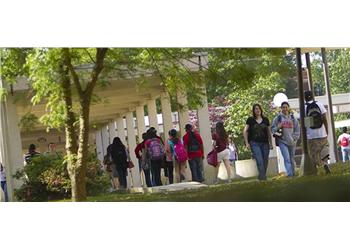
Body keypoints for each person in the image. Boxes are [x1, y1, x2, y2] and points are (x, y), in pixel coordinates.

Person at [243, 104, 273, 181]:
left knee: (265, 161)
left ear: (261, 110)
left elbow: (269, 132)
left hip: (265, 143)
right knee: (259, 161)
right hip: (254, 143)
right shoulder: (250, 120)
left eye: (259, 108)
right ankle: (263, 179)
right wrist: (247, 143)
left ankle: (261, 176)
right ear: (253, 111)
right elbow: (245, 131)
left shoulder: (266, 119)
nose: (257, 110)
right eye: (256, 109)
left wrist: (271, 143)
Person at [304, 90, 331, 174]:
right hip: (322, 133)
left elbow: (305, 123)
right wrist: (326, 131)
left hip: (311, 135)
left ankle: (315, 169)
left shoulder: (304, 107)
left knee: (314, 153)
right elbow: (324, 119)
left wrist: (306, 135)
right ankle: (325, 163)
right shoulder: (319, 104)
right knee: (324, 149)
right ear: (313, 96)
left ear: (304, 98)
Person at [271, 101, 300, 177]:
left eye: (286, 107)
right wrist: (278, 126)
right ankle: (290, 175)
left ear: (288, 108)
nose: (285, 109)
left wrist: (294, 138)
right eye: (283, 107)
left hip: (292, 142)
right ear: (281, 108)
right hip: (282, 141)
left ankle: (293, 174)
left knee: (291, 158)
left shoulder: (293, 118)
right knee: (286, 158)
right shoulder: (278, 118)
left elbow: (297, 130)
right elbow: (273, 130)